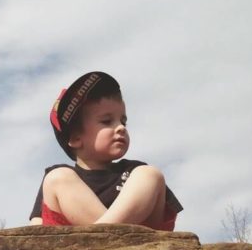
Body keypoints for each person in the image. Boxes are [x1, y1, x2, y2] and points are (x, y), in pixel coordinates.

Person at [29, 71, 182, 229]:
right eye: (107, 121)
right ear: (75, 138)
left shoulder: (134, 172)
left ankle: (103, 236)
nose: (121, 127)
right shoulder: (61, 178)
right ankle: (107, 237)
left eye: (123, 121)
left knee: (150, 174)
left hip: (136, 244)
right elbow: (36, 226)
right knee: (57, 177)